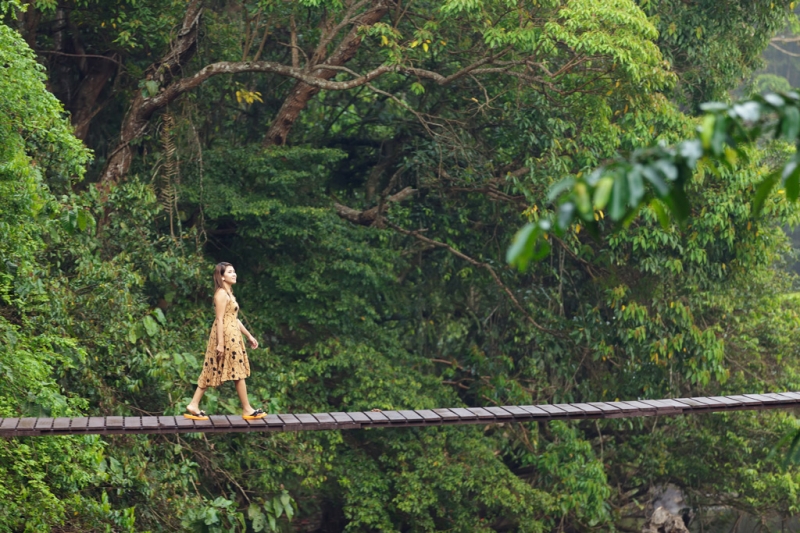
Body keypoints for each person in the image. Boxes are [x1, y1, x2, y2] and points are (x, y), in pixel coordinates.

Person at [185, 262, 266, 420]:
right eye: (230, 272)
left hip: (233, 334)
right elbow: (220, 319)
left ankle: (194, 404)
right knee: (235, 371)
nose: (234, 274)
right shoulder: (221, 293)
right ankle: (247, 408)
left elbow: (234, 319)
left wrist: (249, 336)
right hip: (226, 336)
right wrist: (220, 344)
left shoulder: (229, 294)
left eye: (234, 271)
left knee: (216, 367)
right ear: (222, 276)